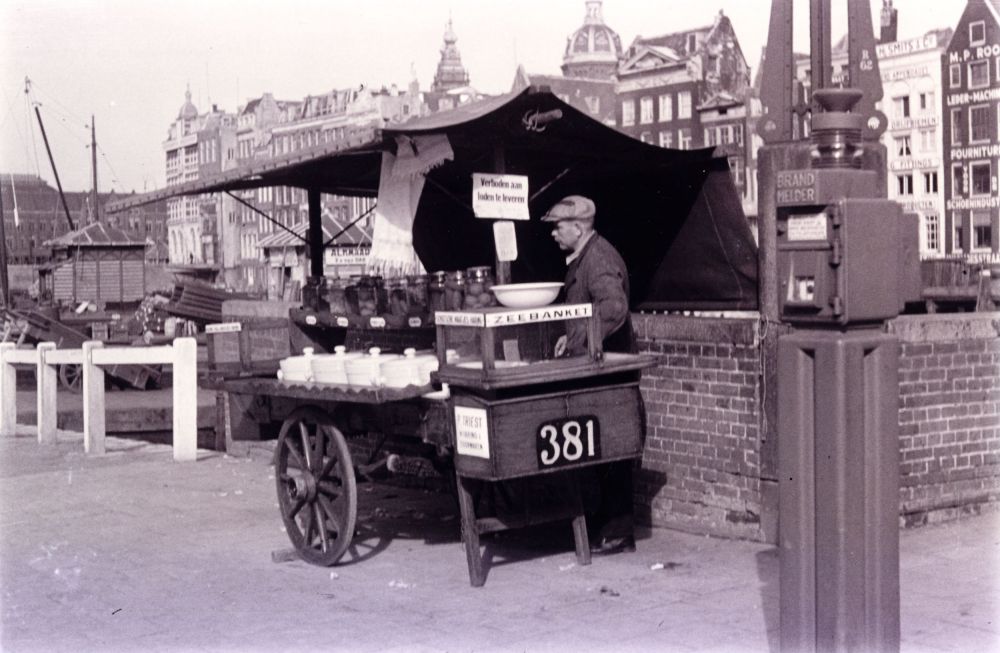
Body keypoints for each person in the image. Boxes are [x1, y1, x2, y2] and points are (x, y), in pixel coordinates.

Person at [541, 194, 639, 555]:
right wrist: (572, 336)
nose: (554, 233)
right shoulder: (584, 257)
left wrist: (581, 336)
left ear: (578, 227)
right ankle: (606, 526)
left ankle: (617, 532)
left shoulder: (597, 259)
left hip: (609, 370)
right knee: (599, 449)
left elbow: (613, 308)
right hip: (598, 367)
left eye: (558, 226)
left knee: (611, 450)